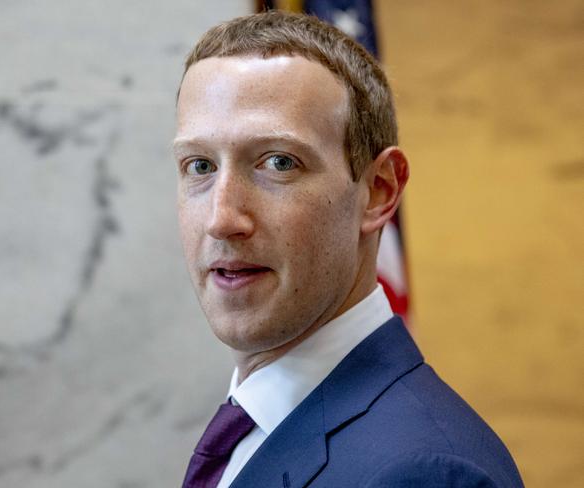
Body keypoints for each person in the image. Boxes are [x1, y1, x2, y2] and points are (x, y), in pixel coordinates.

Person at [174, 10, 524, 488]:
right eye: (199, 166)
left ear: (379, 191)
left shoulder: (424, 474)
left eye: (278, 162)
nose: (221, 219)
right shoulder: (250, 428)